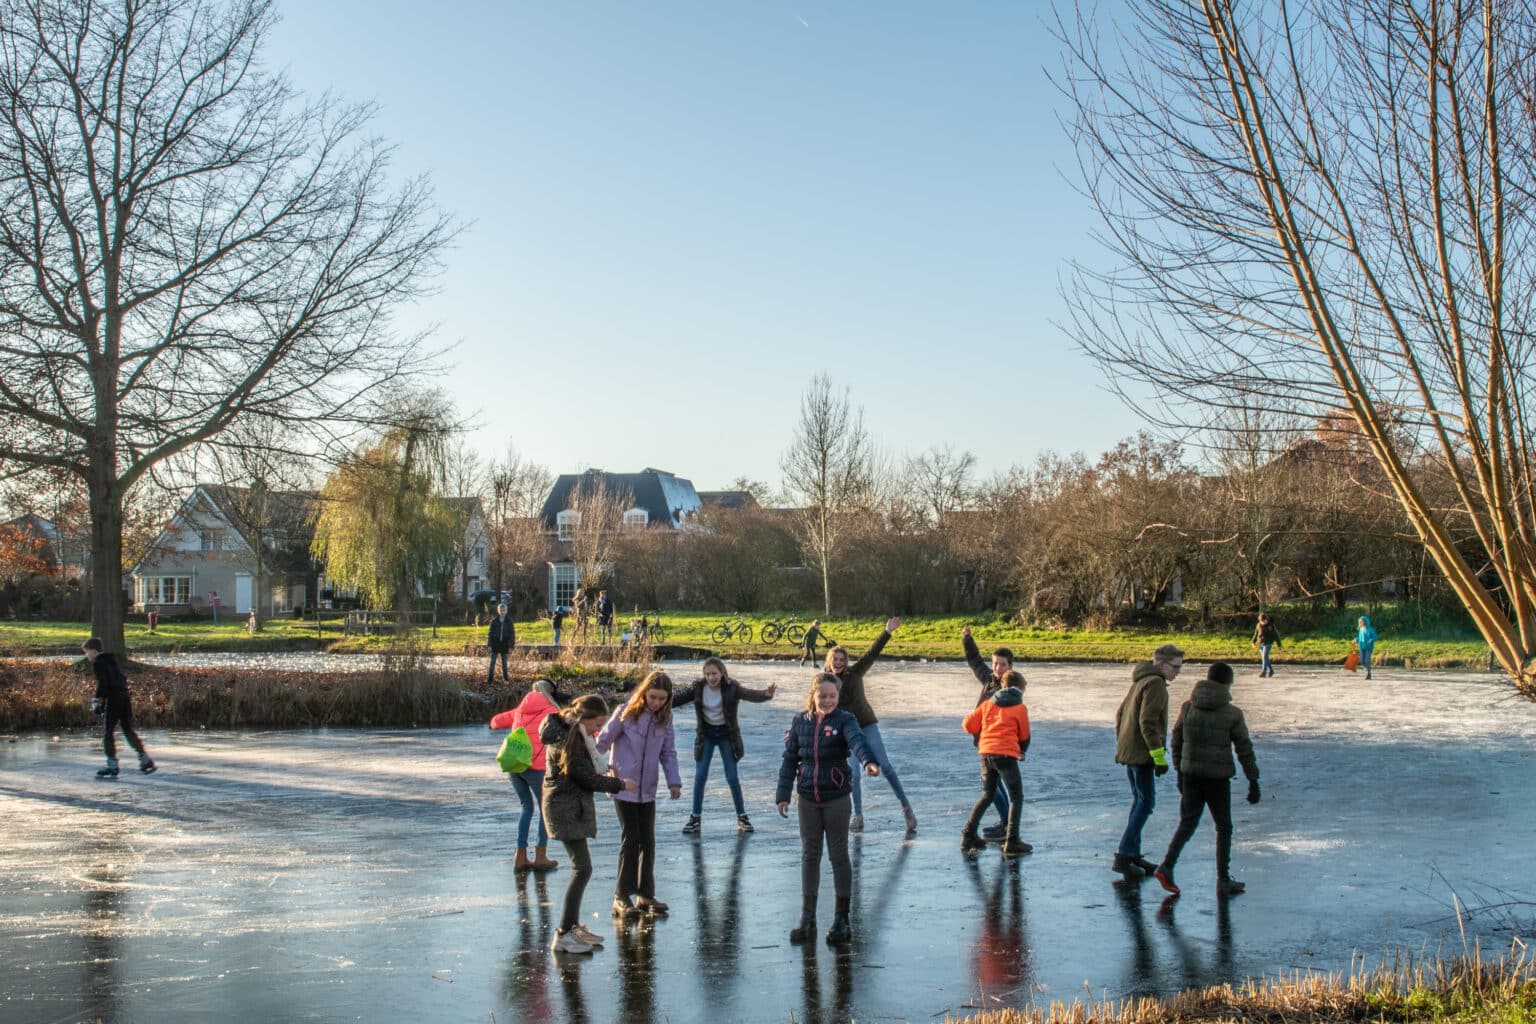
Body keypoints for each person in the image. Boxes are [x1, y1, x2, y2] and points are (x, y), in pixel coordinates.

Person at [776, 673, 881, 946]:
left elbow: (857, 742)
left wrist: (868, 761)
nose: (827, 700)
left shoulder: (845, 720)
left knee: (838, 855)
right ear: (813, 695)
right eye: (822, 696)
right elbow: (790, 760)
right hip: (807, 797)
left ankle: (842, 918)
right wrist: (783, 795)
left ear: (838, 696)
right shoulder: (801, 722)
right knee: (810, 854)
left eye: (832, 696)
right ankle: (807, 916)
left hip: (836, 798)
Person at [1151, 662, 1261, 898]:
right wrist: (1253, 779)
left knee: (1187, 823)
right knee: (1223, 827)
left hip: (1190, 774)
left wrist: (1180, 771)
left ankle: (1167, 865)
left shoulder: (1188, 707)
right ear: (1227, 683)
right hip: (1217, 779)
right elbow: (1244, 749)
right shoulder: (1232, 714)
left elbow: (1176, 740)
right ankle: (1223, 879)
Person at [541, 694, 637, 954]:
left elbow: (586, 773)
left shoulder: (573, 732)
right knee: (582, 869)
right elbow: (584, 777)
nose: (597, 731)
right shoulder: (569, 738)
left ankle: (571, 928)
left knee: (582, 868)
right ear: (584, 718)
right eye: (596, 724)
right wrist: (619, 784)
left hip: (569, 806)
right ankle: (563, 933)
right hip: (564, 808)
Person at [596, 671, 682, 920]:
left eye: (661, 699)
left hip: (648, 789)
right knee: (631, 838)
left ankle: (645, 894)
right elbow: (602, 741)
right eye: (653, 697)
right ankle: (621, 896)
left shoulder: (665, 719)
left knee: (649, 841)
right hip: (624, 786)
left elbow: (668, 753)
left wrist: (674, 781)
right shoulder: (625, 713)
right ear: (644, 692)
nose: (656, 703)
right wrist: (595, 766)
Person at [824, 616, 915, 834]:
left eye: (841, 659)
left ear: (845, 662)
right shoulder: (825, 682)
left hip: (866, 725)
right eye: (835, 659)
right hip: (847, 733)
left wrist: (887, 632)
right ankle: (858, 815)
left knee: (885, 765)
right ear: (829, 661)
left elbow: (872, 653)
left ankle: (906, 807)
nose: (838, 662)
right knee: (853, 774)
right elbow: (815, 704)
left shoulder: (855, 673)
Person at [673, 657, 777, 834]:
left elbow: (749, 694)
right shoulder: (698, 687)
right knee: (700, 776)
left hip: (726, 736)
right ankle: (695, 817)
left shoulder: (731, 687)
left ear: (722, 673)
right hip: (706, 735)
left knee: (732, 776)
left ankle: (742, 817)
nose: (711, 677)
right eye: (707, 674)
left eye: (714, 673)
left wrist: (765, 695)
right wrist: (658, 699)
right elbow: (678, 699)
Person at [1112, 643, 1184, 878]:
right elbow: (1148, 722)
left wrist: (1123, 743)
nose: (1178, 672)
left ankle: (1131, 853)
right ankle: (1124, 854)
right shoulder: (1156, 685)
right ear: (1161, 664)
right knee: (1146, 803)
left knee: (1139, 801)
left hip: (1131, 751)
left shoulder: (1140, 681)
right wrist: (1159, 757)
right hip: (1142, 755)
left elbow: (1120, 715)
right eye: (1175, 667)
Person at [490, 680, 561, 873]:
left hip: (514, 764)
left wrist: (501, 722)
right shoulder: (551, 711)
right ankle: (540, 855)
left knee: (526, 807)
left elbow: (497, 721)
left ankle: (520, 856)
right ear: (550, 694)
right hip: (536, 768)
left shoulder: (521, 709)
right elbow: (571, 726)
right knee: (546, 809)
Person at [959, 669, 1032, 857]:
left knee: (988, 794)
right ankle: (1012, 839)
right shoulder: (1020, 708)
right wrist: (1022, 750)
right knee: (1016, 795)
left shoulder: (988, 705)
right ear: (1020, 689)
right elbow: (1024, 735)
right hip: (1005, 755)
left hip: (986, 753)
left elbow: (968, 725)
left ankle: (968, 834)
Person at [962, 626, 1021, 841]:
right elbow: (975, 661)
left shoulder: (1009, 691)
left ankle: (1005, 825)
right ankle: (1005, 823)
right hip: (985, 743)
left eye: (1002, 665)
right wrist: (967, 639)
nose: (997, 667)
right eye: (995, 663)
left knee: (992, 788)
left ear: (1010, 667)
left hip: (997, 746)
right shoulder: (990, 680)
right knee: (994, 787)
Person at [81, 638, 156, 777]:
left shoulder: (98, 663)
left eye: (87, 652)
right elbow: (119, 680)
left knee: (108, 732)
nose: (87, 656)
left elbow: (104, 683)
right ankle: (145, 759)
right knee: (128, 729)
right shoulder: (112, 661)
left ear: (93, 650)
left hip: (114, 699)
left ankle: (112, 765)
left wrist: (97, 700)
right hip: (124, 696)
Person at [487, 603, 516, 683]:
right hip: (495, 644)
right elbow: (490, 633)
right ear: (498, 611)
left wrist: (511, 646)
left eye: (504, 610)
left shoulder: (509, 621)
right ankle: (490, 678)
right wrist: (489, 644)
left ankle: (506, 678)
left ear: (506, 611)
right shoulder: (494, 621)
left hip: (505, 644)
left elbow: (512, 635)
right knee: (492, 662)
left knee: (504, 663)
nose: (502, 612)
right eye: (501, 610)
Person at [1252, 612, 1281, 678]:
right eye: (1262, 621)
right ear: (1260, 620)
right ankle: (1271, 670)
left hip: (1268, 643)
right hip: (1260, 644)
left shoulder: (1270, 626)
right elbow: (1256, 634)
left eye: (1265, 620)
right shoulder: (1258, 625)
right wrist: (1253, 642)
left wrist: (1279, 645)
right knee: (1265, 658)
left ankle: (1263, 672)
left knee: (1264, 657)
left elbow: (1276, 635)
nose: (1264, 622)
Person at [1355, 615, 1377, 680]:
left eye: (1361, 621)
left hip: (1368, 648)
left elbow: (1375, 637)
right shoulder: (1360, 629)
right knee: (1362, 661)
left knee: (1367, 660)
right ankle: (1367, 669)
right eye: (1360, 622)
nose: (1360, 623)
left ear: (1365, 622)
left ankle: (1368, 673)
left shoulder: (1370, 629)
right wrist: (1355, 640)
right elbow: (1359, 637)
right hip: (1362, 647)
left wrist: (1371, 640)